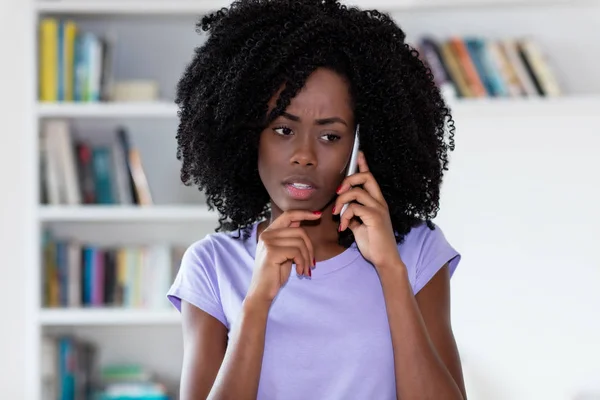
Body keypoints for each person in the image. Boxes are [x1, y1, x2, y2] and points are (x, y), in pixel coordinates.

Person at [167, 0, 466, 398]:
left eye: (330, 136)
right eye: (283, 130)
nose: (304, 154)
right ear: (247, 134)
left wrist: (391, 270)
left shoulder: (416, 251)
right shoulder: (211, 265)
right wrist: (257, 302)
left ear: (363, 143)